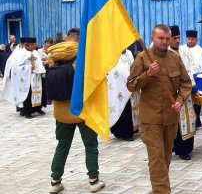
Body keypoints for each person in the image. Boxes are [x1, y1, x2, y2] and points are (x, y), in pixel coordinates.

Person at [127, 24, 193, 193]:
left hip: (171, 118)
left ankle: (159, 186)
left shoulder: (175, 58)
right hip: (151, 120)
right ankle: (162, 191)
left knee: (165, 157)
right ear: (152, 39)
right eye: (160, 38)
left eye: (167, 38)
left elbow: (186, 83)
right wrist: (147, 74)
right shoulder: (142, 58)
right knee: (157, 159)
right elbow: (131, 85)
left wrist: (180, 100)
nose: (164, 42)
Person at [47, 28, 105, 193]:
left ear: (66, 38)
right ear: (81, 40)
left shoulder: (52, 55)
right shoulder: (84, 55)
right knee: (91, 145)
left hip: (61, 111)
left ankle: (55, 181)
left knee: (62, 146)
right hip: (82, 110)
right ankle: (93, 180)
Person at [167, 25, 197, 161]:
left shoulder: (184, 51)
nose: (178, 40)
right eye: (174, 38)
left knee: (189, 119)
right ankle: (173, 147)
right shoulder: (165, 54)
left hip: (186, 92)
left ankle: (185, 149)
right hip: (172, 95)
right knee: (174, 123)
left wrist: (193, 86)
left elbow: (189, 70)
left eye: (179, 38)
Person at [1, 37, 46, 118]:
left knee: (39, 93)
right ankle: (27, 112)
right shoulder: (20, 53)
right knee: (28, 95)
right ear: (28, 45)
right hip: (26, 78)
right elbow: (15, 67)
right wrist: (28, 67)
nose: (35, 45)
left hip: (36, 76)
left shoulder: (35, 52)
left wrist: (42, 63)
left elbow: (37, 62)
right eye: (34, 44)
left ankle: (38, 108)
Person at [179, 29, 202, 128]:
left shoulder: (201, 51)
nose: (190, 41)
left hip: (197, 79)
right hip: (184, 79)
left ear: (196, 40)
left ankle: (197, 120)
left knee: (196, 101)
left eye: (192, 39)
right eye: (188, 39)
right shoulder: (181, 49)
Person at [109, 49, 139, 141]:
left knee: (131, 108)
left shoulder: (129, 52)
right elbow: (114, 72)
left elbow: (133, 65)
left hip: (131, 84)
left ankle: (133, 128)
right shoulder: (113, 54)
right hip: (119, 87)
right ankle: (124, 132)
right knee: (122, 109)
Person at [39, 38, 53, 107]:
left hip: (51, 68)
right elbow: (37, 60)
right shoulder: (39, 51)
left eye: (50, 43)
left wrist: (48, 62)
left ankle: (50, 99)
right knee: (44, 84)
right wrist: (42, 62)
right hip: (43, 69)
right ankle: (45, 99)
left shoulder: (53, 50)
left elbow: (54, 59)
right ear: (44, 43)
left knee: (50, 84)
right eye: (47, 43)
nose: (48, 44)